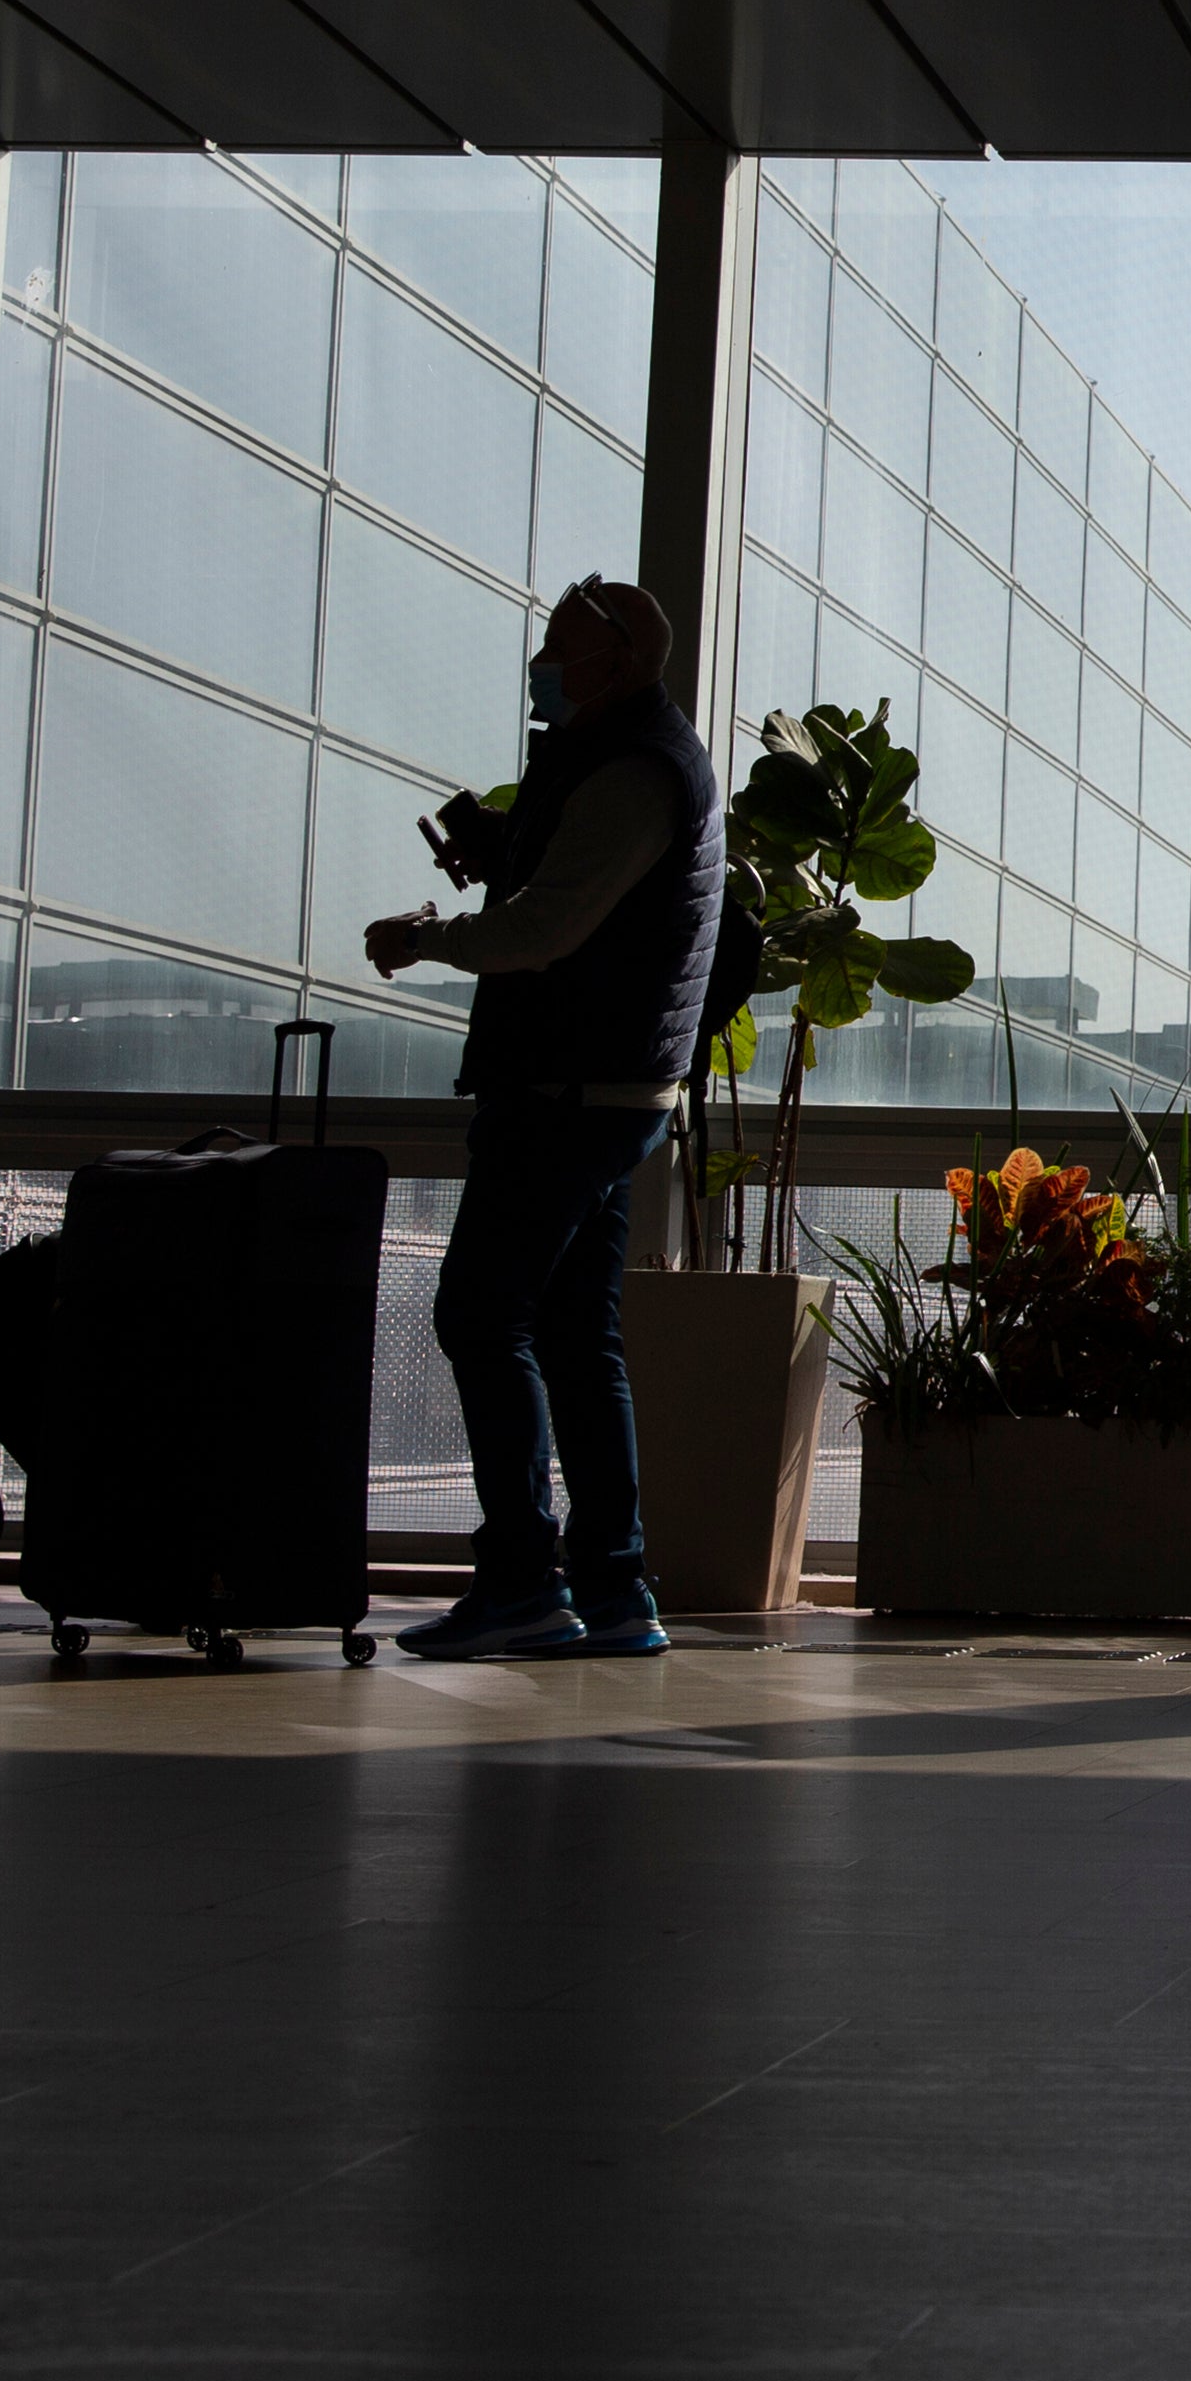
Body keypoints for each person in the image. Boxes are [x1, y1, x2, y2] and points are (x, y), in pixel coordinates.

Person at [362, 579, 718, 1665]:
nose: (543, 663)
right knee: (572, 1337)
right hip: (609, 1090)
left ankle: (523, 1578)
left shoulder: (633, 769)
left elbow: (550, 929)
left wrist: (424, 942)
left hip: (570, 1093)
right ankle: (613, 1589)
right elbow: (576, 884)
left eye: (560, 648)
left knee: (480, 1316)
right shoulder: (628, 757)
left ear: (615, 660)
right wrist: (505, 843)